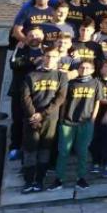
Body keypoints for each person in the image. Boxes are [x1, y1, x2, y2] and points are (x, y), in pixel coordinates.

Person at [20, 45, 67, 192]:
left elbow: (60, 98)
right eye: (48, 56)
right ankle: (28, 181)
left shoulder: (61, 76)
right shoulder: (31, 75)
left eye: (54, 57)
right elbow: (25, 97)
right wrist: (33, 114)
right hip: (31, 118)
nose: (50, 59)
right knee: (30, 149)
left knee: (45, 149)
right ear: (43, 57)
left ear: (58, 58)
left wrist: (43, 114)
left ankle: (39, 180)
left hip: (49, 118)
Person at [51, 59, 100, 191]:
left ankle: (81, 178)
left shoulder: (96, 83)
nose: (84, 70)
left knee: (82, 152)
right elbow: (64, 102)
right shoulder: (70, 83)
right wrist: (62, 119)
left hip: (85, 122)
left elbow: (97, 102)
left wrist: (93, 118)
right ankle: (59, 179)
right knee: (63, 151)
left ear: (93, 70)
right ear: (78, 69)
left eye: (87, 68)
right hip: (68, 122)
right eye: (82, 67)